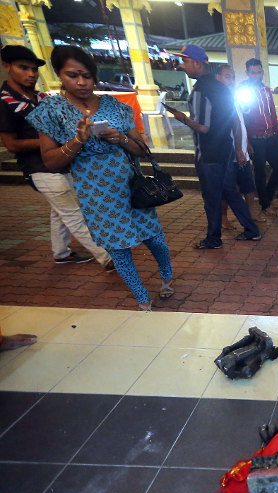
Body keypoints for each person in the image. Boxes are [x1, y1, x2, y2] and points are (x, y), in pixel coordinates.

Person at [27, 45, 174, 311]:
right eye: (73, 75)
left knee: (155, 239)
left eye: (87, 76)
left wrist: (122, 138)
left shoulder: (115, 106)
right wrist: (78, 140)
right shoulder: (52, 110)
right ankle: (142, 299)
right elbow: (50, 161)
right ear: (59, 75)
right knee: (119, 250)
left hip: (132, 188)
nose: (81, 82)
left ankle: (167, 279)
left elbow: (142, 149)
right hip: (96, 196)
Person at [0, 45, 112, 270]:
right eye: (23, 68)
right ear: (7, 67)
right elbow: (11, 144)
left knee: (60, 211)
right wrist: (52, 140)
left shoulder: (41, 98)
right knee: (73, 214)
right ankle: (108, 257)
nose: (31, 74)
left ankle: (61, 253)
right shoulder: (5, 102)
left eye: (34, 69)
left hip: (63, 162)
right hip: (40, 167)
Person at [168, 45, 261, 248]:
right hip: (226, 149)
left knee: (212, 197)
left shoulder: (201, 90)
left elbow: (204, 128)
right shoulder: (221, 88)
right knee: (230, 191)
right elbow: (233, 121)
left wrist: (183, 118)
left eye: (185, 61)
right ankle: (252, 230)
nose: (182, 66)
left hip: (209, 153)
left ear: (197, 63)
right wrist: (238, 148)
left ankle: (213, 238)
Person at [238, 58, 278, 217]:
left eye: (259, 72)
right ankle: (265, 204)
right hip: (255, 139)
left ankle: (267, 195)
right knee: (260, 172)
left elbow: (272, 113)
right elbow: (240, 119)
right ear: (247, 73)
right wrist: (246, 142)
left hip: (271, 136)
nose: (256, 75)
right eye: (253, 72)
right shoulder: (242, 91)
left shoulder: (266, 90)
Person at [214, 64, 260, 230]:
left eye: (233, 77)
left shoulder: (233, 97)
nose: (232, 81)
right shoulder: (217, 99)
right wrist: (238, 150)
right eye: (228, 77)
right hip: (228, 153)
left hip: (242, 151)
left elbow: (240, 123)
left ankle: (252, 213)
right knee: (228, 189)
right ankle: (224, 218)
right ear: (218, 77)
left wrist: (246, 144)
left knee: (248, 185)